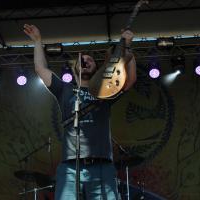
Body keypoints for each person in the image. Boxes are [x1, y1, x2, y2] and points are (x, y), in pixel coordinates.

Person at [24, 24, 136, 200]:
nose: (86, 61)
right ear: (75, 68)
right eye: (82, 60)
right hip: (70, 167)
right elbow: (40, 69)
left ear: (97, 68)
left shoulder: (105, 92)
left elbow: (129, 82)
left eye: (90, 60)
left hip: (101, 166)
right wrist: (38, 41)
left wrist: (128, 48)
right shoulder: (64, 90)